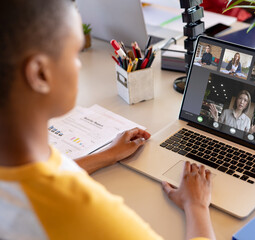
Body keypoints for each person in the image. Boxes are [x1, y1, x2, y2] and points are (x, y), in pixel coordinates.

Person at [0, 1, 215, 240]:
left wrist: (107, 155)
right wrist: (196, 206)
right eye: (74, 53)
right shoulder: (81, 210)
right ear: (40, 74)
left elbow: (36, 177)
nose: (79, 64)